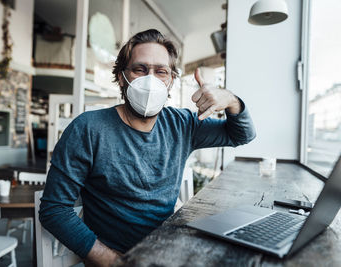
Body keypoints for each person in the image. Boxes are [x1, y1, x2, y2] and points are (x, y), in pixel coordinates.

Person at [39, 29, 256, 267]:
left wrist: (231, 100)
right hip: (120, 258)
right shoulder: (88, 129)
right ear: (122, 77)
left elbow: (241, 135)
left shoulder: (182, 124)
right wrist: (115, 262)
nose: (150, 80)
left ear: (171, 80)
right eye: (139, 69)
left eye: (160, 71)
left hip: (171, 250)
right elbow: (54, 210)